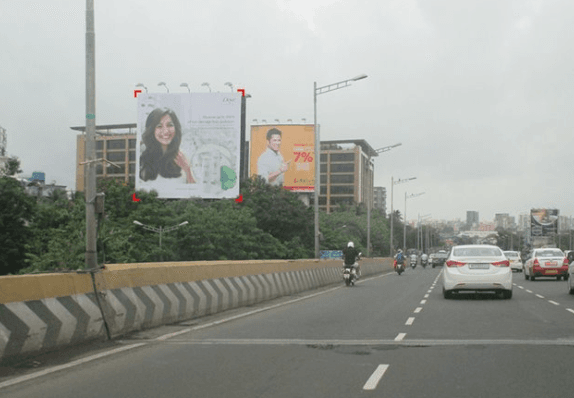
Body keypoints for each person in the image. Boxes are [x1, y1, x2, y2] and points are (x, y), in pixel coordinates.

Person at [139, 108, 195, 184]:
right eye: (159, 126)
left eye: (170, 125)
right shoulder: (143, 158)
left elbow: (195, 190)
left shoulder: (183, 157)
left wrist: (187, 169)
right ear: (151, 130)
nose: (165, 131)